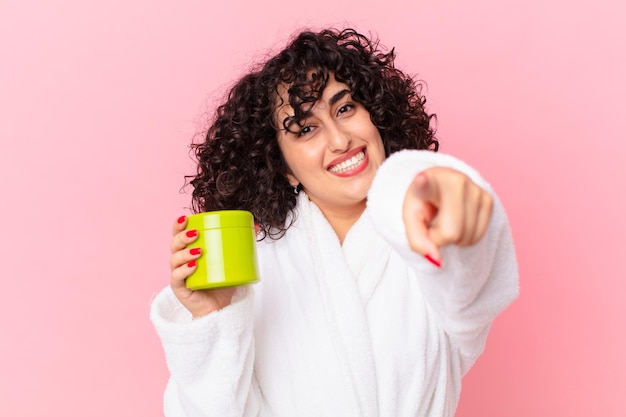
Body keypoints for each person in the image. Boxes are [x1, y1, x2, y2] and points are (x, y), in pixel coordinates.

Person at [150, 28, 519, 417]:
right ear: (282, 166)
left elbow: (473, 289)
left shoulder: (425, 240)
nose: (340, 140)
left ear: (376, 116)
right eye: (306, 128)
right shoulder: (254, 270)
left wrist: (461, 220)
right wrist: (214, 319)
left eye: (345, 109)